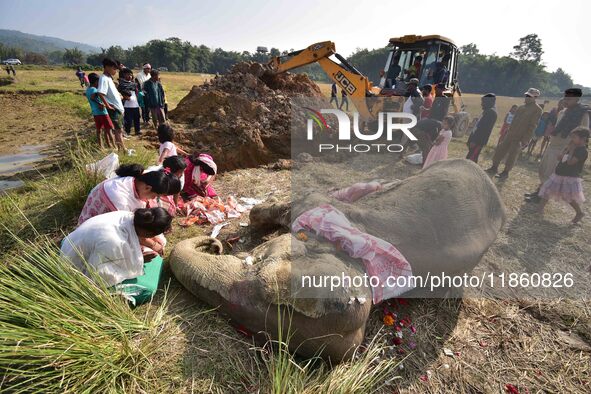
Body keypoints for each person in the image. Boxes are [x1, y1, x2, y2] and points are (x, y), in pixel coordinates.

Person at [61, 208, 172, 289]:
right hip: (73, 267)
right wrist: (139, 260)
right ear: (148, 233)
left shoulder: (129, 216)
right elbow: (98, 276)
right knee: (148, 289)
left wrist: (151, 246)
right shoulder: (114, 241)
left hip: (71, 243)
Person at [525, 88, 589, 202]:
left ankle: (541, 196)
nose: (566, 100)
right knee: (543, 169)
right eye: (565, 98)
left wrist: (569, 149)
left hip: (563, 148)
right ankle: (539, 192)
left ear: (577, 99)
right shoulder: (563, 112)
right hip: (553, 144)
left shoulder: (582, 115)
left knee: (550, 173)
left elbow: (584, 132)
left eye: (569, 99)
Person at [78, 164, 181, 225]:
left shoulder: (140, 179)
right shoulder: (120, 196)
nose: (153, 198)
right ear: (148, 188)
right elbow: (127, 227)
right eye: (155, 195)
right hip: (92, 228)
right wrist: (153, 244)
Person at [485, 88, 542, 179]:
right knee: (500, 149)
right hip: (510, 133)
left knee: (512, 155)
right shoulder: (521, 107)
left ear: (535, 97)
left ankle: (505, 172)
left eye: (529, 96)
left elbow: (533, 126)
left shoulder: (537, 109)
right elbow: (514, 120)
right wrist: (508, 130)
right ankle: (494, 167)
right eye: (527, 95)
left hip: (520, 137)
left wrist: (525, 139)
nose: (527, 98)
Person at [536, 127, 589, 224]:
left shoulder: (582, 151)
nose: (572, 139)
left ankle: (579, 212)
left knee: (568, 196)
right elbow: (560, 158)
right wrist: (566, 150)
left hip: (569, 177)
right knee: (547, 189)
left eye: (574, 137)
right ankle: (539, 210)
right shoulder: (572, 147)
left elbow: (570, 162)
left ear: (583, 139)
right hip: (559, 173)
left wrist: (572, 151)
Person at [98, 58, 127, 151]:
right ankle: (122, 149)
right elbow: (101, 93)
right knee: (118, 131)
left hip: (118, 108)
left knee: (120, 130)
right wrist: (108, 105)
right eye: (114, 68)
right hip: (114, 109)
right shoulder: (103, 79)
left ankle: (122, 148)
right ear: (107, 67)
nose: (115, 71)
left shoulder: (109, 78)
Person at [86, 72, 114, 149]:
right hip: (102, 112)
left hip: (95, 113)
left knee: (99, 130)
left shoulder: (88, 89)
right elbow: (92, 97)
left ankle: (101, 146)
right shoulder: (94, 90)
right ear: (96, 81)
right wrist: (100, 104)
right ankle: (113, 145)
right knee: (108, 129)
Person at [466, 93, 498, 163]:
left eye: (483, 102)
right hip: (476, 139)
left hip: (478, 141)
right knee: (471, 157)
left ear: (488, 102)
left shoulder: (491, 113)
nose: (481, 104)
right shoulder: (487, 111)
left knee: (471, 159)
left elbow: (483, 130)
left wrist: (475, 141)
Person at [118, 68, 141, 136]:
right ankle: (127, 132)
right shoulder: (121, 85)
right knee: (128, 119)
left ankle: (137, 130)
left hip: (135, 104)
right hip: (127, 105)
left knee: (137, 118)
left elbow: (137, 92)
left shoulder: (134, 84)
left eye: (131, 75)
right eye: (128, 75)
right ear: (124, 75)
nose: (130, 76)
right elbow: (119, 93)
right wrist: (125, 97)